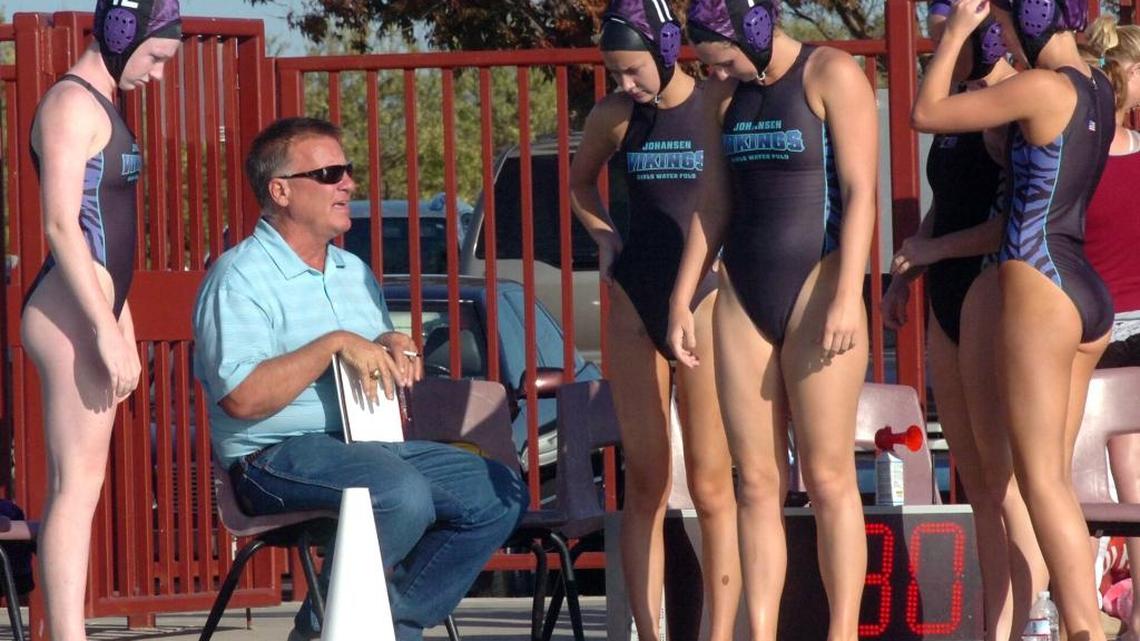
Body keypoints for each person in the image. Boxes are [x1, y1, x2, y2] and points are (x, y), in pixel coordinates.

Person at [191, 117, 528, 641]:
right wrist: (332, 344)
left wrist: (394, 344)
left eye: (346, 170)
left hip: (366, 447)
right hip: (270, 457)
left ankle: (385, 625)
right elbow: (241, 397)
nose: (347, 183)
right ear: (280, 191)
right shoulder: (238, 277)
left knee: (495, 490)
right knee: (400, 493)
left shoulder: (352, 271)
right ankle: (333, 630)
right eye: (328, 173)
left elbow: (371, 343)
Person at [667, 1, 878, 638]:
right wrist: (682, 295)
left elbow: (862, 189)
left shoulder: (829, 73)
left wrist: (848, 293)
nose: (717, 71)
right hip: (743, 293)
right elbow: (713, 203)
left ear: (754, 29)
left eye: (722, 56)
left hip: (818, 283)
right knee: (757, 481)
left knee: (827, 475)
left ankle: (841, 633)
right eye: (708, 63)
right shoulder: (720, 96)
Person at [913, 1, 1116, 639]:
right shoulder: (1098, 88)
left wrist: (954, 39)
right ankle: (1067, 623)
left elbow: (925, 113)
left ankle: (1081, 627)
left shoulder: (1038, 87)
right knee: (1049, 482)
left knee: (1040, 482)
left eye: (1001, 21)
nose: (996, 33)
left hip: (1037, 278)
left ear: (1031, 17)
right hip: (1086, 289)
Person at [568, 1, 740, 638]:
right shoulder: (616, 116)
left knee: (711, 481)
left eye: (634, 70)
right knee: (646, 481)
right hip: (637, 300)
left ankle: (719, 633)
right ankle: (647, 630)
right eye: (616, 73)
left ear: (669, 48)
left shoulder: (718, 105)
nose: (625, 85)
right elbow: (581, 183)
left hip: (704, 302)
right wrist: (604, 236)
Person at [884, 4, 1048, 639]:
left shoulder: (1015, 98)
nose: (937, 36)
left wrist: (935, 251)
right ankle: (997, 625)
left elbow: (1014, 217)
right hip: (947, 291)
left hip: (989, 287)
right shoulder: (957, 100)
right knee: (975, 481)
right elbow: (946, 204)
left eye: (947, 24)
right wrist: (909, 267)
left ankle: (1040, 613)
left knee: (1006, 479)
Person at [20, 2, 181, 639]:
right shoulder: (70, 105)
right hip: (70, 316)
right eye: (158, 57)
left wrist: (124, 320)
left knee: (84, 485)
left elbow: (109, 240)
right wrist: (102, 328)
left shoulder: (102, 104)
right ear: (124, 34)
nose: (160, 75)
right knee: (75, 488)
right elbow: (63, 224)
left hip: (96, 310)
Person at [1079, 15, 1140, 640]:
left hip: (1084, 325)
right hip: (1124, 329)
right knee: (1131, 473)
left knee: (1063, 471)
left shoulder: (1075, 160)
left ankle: (1075, 599)